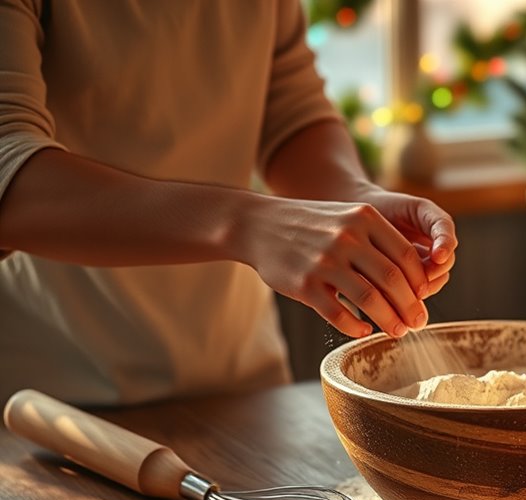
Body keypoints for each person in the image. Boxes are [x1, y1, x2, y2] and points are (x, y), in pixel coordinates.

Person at [0, 0, 458, 405]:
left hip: (245, 385)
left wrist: (354, 196)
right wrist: (247, 225)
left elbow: (291, 111)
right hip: (52, 402)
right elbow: (10, 172)